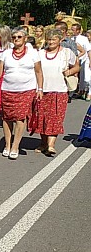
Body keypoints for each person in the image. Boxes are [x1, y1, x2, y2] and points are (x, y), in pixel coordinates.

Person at [0, 26, 43, 159]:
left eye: (19, 37)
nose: (16, 39)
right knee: (7, 118)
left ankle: (15, 145)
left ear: (25, 38)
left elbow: (38, 72)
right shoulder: (6, 53)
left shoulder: (33, 53)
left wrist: (40, 89)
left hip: (26, 89)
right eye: (14, 37)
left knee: (20, 117)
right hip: (8, 89)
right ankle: (7, 144)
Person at [34, 28, 78, 156]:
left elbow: (77, 66)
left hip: (60, 90)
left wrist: (69, 72)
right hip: (42, 90)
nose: (51, 42)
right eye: (49, 39)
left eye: (54, 39)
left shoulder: (66, 53)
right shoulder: (40, 53)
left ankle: (51, 145)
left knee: (56, 118)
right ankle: (43, 143)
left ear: (60, 40)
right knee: (42, 118)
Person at [71, 23, 89, 100]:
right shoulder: (70, 38)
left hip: (83, 59)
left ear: (78, 30)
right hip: (73, 60)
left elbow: (87, 49)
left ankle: (83, 90)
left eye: (73, 30)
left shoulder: (84, 39)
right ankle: (75, 90)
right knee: (74, 75)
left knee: (83, 76)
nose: (72, 31)